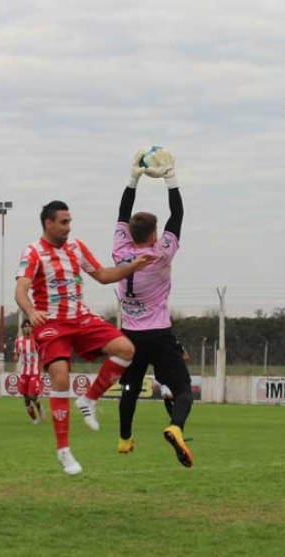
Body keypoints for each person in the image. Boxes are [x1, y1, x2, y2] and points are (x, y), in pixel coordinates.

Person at [15, 199, 155, 475]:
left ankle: (88, 399)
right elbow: (21, 289)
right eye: (64, 222)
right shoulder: (33, 252)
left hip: (80, 319)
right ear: (49, 223)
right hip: (51, 322)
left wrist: (133, 267)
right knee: (60, 377)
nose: (69, 227)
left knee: (126, 349)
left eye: (70, 222)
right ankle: (64, 450)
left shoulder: (76, 248)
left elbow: (103, 275)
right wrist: (31, 312)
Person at [112, 148, 194, 468]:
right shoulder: (161, 254)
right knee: (183, 390)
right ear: (154, 234)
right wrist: (170, 179)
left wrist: (133, 178)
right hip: (158, 334)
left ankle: (124, 439)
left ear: (131, 234)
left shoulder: (119, 251)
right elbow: (178, 216)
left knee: (130, 389)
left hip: (130, 336)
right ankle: (175, 426)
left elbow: (122, 213)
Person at [14, 320, 44, 424]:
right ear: (22, 329)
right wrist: (16, 357)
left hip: (34, 372)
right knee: (26, 398)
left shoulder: (37, 340)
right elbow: (16, 354)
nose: (27, 328)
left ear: (32, 328)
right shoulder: (18, 341)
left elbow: (42, 353)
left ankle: (40, 408)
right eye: (25, 326)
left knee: (32, 395)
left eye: (29, 326)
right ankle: (34, 420)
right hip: (23, 372)